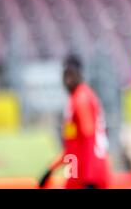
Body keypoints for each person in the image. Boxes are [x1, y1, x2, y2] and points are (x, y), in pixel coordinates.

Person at [38, 55, 110, 189]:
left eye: (71, 74)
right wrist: (50, 169)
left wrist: (90, 179)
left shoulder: (81, 99)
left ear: (79, 74)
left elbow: (90, 138)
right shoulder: (78, 98)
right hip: (81, 171)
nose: (67, 80)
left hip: (87, 174)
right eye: (65, 75)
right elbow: (73, 147)